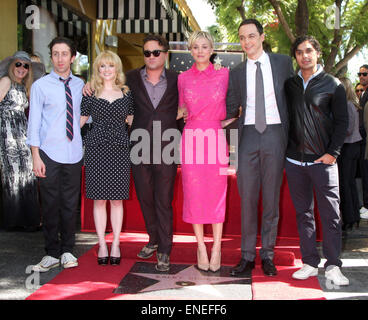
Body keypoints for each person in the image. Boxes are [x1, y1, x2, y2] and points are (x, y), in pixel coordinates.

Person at [226, 19, 294, 277]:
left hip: (276, 133)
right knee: (248, 200)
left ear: (262, 37)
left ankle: (267, 255)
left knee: (271, 201)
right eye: (242, 37)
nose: (247, 42)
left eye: (251, 36)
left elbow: (294, 99)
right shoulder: (236, 73)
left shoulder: (283, 63)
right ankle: (246, 256)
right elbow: (231, 108)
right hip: (249, 136)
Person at [285, 35, 349, 286]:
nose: (305, 56)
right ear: (296, 56)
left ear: (318, 53)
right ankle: (310, 262)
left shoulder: (334, 85)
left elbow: (343, 122)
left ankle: (333, 265)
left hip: (324, 163)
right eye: (299, 52)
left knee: (331, 215)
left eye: (309, 51)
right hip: (294, 162)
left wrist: (333, 153)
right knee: (304, 214)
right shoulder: (290, 84)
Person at [27, 37, 84, 272]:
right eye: (55, 54)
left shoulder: (82, 85)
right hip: (48, 153)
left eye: (64, 54)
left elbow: (88, 111)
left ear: (73, 57)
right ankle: (51, 252)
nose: (60, 58)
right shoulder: (40, 86)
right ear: (51, 57)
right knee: (50, 204)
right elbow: (34, 122)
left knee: (70, 204)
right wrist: (35, 156)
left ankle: (68, 250)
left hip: (73, 152)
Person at [178, 31, 229, 272]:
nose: (200, 50)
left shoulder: (224, 75)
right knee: (194, 193)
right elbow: (180, 110)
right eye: (195, 47)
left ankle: (217, 247)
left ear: (212, 49)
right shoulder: (183, 78)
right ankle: (200, 246)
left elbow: (234, 107)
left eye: (204, 46)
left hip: (215, 137)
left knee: (217, 193)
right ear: (190, 50)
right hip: (191, 138)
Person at [127, 34, 179, 272]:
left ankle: (165, 250)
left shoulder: (179, 80)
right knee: (145, 197)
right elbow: (105, 86)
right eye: (146, 53)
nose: (151, 57)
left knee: (163, 200)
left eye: (155, 52)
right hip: (139, 146)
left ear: (165, 54)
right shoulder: (129, 79)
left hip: (167, 147)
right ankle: (153, 239)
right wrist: (88, 85)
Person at [80, 51, 134, 265]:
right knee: (100, 200)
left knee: (117, 200)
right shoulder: (90, 93)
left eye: (110, 66)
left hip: (120, 150)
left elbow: (131, 119)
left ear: (117, 68)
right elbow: (81, 121)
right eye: (102, 66)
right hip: (96, 149)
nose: (106, 70)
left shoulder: (127, 93)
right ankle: (102, 244)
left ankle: (116, 244)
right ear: (97, 70)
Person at [0, 51, 40, 231]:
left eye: (26, 65)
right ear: (11, 65)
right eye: (18, 64)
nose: (22, 68)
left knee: (26, 175)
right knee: (12, 176)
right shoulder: (6, 81)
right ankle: (13, 220)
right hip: (7, 134)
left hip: (22, 135)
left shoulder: (24, 87)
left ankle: (28, 219)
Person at [338, 77, 362, 231]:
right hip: (354, 146)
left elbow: (346, 129)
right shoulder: (353, 105)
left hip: (348, 147)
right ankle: (354, 216)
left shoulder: (346, 105)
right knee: (350, 182)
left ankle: (349, 217)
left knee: (345, 183)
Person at [358, 65, 368, 219]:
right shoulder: (362, 95)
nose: (361, 76)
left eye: (365, 74)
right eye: (359, 74)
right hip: (361, 142)